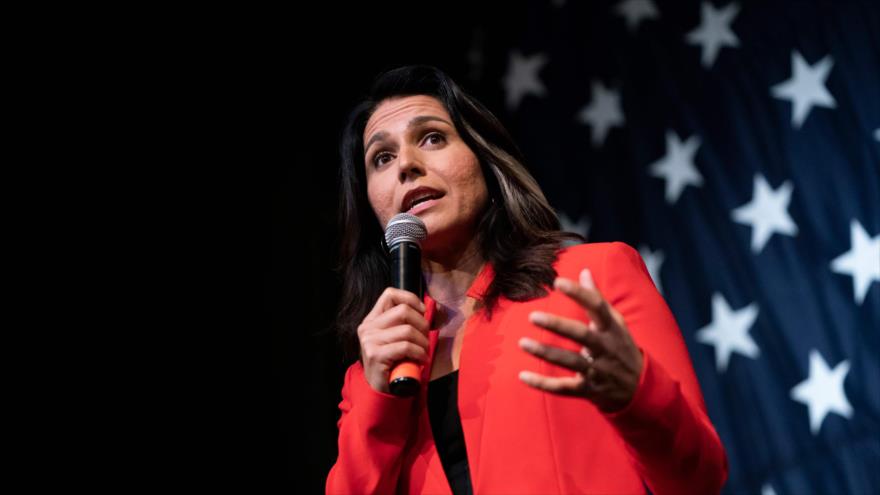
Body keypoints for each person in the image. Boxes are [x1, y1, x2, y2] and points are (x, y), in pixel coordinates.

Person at [325, 65, 728, 495]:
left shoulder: (593, 278)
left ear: (485, 163)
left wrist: (637, 395)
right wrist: (377, 401)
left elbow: (699, 479)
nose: (407, 164)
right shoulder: (368, 376)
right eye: (381, 158)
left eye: (432, 137)